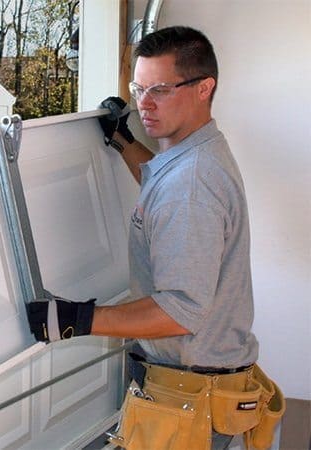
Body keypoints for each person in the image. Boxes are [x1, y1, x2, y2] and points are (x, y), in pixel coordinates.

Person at [27, 26, 261, 450]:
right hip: (197, 389)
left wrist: (77, 320)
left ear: (204, 87)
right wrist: (123, 141)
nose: (144, 103)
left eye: (159, 89)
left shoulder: (192, 184)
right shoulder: (195, 152)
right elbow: (160, 184)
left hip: (190, 401)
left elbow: (181, 311)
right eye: (138, 88)